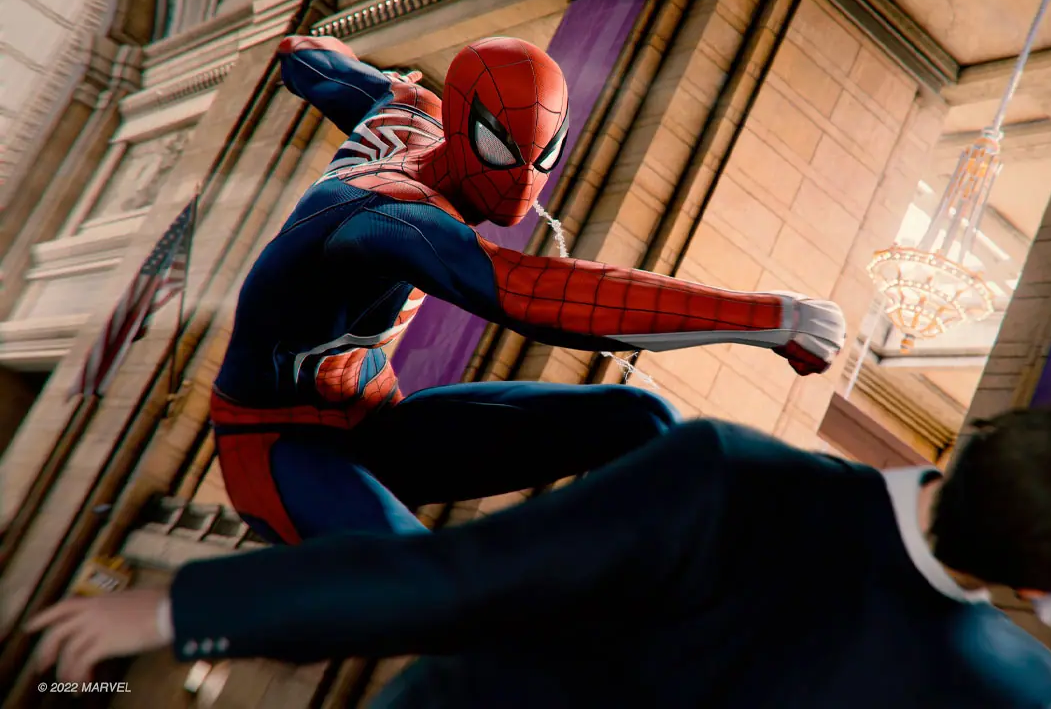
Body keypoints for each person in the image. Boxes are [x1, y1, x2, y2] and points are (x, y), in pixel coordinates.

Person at [27, 376, 1051, 707]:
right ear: (1047, 585)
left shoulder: (726, 476)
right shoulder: (1022, 698)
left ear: (987, 435)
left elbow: (448, 581)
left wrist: (176, 606)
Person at [210, 34, 845, 545]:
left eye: (542, 156)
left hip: (382, 424)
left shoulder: (408, 112)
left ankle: (635, 578)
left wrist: (310, 50)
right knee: (430, 588)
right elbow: (529, 295)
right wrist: (765, 316)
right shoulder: (386, 213)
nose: (521, 181)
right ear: (463, 128)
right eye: (499, 149)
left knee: (642, 419)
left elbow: (317, 64)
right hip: (277, 446)